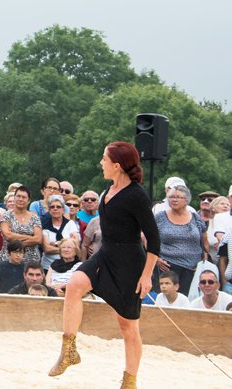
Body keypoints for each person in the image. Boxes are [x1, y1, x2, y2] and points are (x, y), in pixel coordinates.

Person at [51, 141, 160, 389]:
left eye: (104, 159)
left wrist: (146, 276)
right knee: (75, 284)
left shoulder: (137, 196)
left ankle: (129, 382)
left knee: (128, 327)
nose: (101, 163)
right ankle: (69, 351)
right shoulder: (107, 190)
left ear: (117, 165)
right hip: (105, 254)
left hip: (130, 263)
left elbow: (154, 239)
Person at [153, 184, 208, 294]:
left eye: (178, 197)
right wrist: (156, 259)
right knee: (167, 301)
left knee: (187, 303)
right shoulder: (160, 217)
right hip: (166, 268)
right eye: (172, 197)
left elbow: (205, 243)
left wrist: (203, 264)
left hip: (192, 270)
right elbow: (147, 239)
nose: (174, 200)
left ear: (187, 200)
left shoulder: (196, 219)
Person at [0, 185, 42, 264]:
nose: (20, 199)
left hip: (31, 262)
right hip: (10, 261)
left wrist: (16, 245)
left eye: (24, 197)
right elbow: (8, 236)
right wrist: (30, 237)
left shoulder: (34, 217)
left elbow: (38, 239)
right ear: (14, 198)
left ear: (29, 201)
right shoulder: (6, 216)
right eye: (18, 196)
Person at [40, 195, 80, 270]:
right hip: (48, 267)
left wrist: (55, 244)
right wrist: (67, 247)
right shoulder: (44, 225)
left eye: (58, 207)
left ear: (63, 209)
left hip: (69, 265)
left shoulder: (70, 224)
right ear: (49, 210)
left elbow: (76, 244)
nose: (55, 209)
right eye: (52, 207)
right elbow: (47, 249)